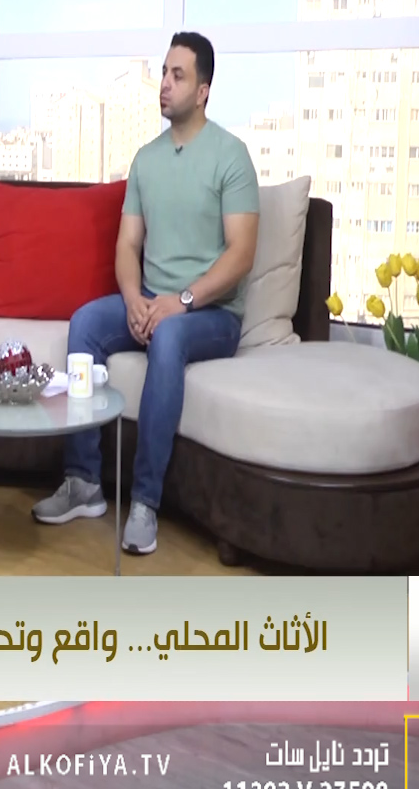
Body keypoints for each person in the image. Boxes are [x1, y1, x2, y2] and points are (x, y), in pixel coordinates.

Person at [32, 32, 260, 555]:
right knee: (86, 324)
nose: (164, 84)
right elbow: (127, 244)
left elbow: (241, 255)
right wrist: (135, 299)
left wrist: (180, 302)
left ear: (202, 91)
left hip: (211, 314)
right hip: (155, 298)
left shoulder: (231, 156)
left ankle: (144, 502)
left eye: (178, 75)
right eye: (163, 72)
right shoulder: (146, 160)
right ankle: (83, 481)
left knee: (170, 336)